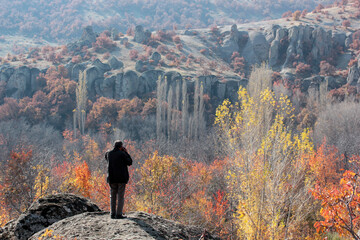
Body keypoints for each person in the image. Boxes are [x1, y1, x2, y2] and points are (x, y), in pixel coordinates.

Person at [105, 140, 132, 219]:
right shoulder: (122, 154)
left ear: (114, 146)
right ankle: (119, 214)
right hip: (121, 178)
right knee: (120, 196)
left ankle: (112, 214)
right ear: (121, 147)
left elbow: (106, 158)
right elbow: (130, 162)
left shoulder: (108, 153)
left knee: (112, 196)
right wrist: (126, 152)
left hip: (111, 178)